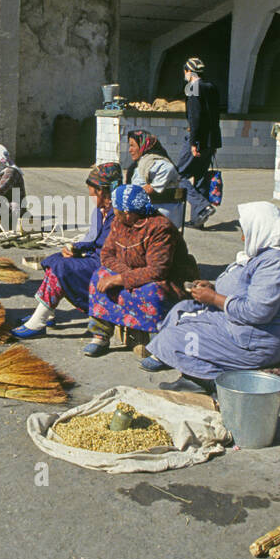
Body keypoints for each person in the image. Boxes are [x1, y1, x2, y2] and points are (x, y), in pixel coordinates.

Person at [144, 202, 280, 394]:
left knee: (177, 336)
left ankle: (213, 382)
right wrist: (212, 289)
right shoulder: (261, 255)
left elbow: (257, 312)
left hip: (251, 341)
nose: (243, 237)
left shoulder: (275, 265)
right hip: (238, 327)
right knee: (182, 309)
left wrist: (213, 298)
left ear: (261, 229)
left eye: (246, 230)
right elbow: (244, 289)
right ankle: (191, 374)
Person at [82, 184, 198, 358]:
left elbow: (158, 270)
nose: (114, 212)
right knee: (99, 277)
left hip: (169, 279)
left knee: (152, 292)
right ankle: (101, 334)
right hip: (134, 273)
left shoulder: (160, 228)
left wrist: (121, 279)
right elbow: (106, 254)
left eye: (117, 209)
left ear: (128, 213)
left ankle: (161, 349)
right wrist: (125, 275)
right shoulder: (119, 222)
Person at [11, 162, 121, 339]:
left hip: (107, 264)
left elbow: (108, 247)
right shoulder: (101, 211)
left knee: (62, 267)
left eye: (92, 193)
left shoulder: (118, 214)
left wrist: (80, 252)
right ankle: (47, 312)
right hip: (96, 256)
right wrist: (74, 248)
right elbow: (93, 239)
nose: (90, 197)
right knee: (54, 259)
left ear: (101, 191)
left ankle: (39, 320)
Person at [178, 56, 222, 228]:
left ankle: (202, 205)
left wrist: (194, 142)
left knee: (178, 175)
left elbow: (195, 117)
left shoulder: (192, 87)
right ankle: (198, 220)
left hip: (198, 138)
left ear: (189, 71)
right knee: (201, 176)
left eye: (185, 72)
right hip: (212, 139)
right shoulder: (212, 87)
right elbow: (215, 116)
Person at [127, 130, 184, 228]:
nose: (129, 150)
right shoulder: (142, 163)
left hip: (162, 217)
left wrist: (153, 186)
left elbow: (168, 168)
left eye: (133, 145)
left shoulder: (156, 162)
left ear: (143, 146)